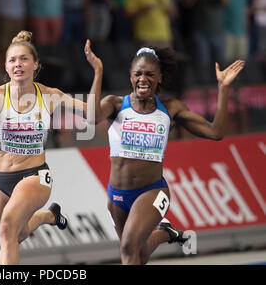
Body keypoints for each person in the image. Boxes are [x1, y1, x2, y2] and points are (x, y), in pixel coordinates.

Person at [85, 42, 245, 265]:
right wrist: (98, 71)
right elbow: (91, 118)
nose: (143, 79)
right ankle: (165, 233)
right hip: (117, 195)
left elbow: (215, 132)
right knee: (137, 255)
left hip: (152, 191)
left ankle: (163, 230)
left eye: (149, 74)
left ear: (159, 77)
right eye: (138, 73)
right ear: (130, 76)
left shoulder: (169, 108)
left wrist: (223, 88)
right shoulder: (115, 104)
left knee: (128, 247)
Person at [0, 30, 100, 265]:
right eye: (12, 60)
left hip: (34, 175)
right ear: (6, 67)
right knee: (15, 235)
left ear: (35, 64)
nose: (17, 64)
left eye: (23, 59)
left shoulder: (50, 96)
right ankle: (48, 216)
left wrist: (97, 71)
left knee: (7, 229)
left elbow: (92, 114)